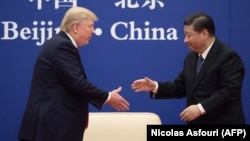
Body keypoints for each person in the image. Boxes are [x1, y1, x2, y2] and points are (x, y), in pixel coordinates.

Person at [18, 6, 130, 141]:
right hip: (52, 127)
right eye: (90, 26)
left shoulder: (60, 44)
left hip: (55, 126)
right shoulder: (61, 46)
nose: (93, 31)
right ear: (76, 27)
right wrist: (107, 97)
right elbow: (77, 82)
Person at [131, 12, 245, 124]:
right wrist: (155, 86)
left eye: (188, 35)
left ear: (204, 34)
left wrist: (200, 108)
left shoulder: (228, 57)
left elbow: (229, 91)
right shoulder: (191, 58)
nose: (185, 40)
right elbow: (180, 86)